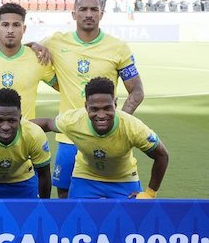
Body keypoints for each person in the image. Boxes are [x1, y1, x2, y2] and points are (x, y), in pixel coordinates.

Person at [42, 0, 145, 198]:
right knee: (65, 197)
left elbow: (137, 91)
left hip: (106, 138)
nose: (88, 14)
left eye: (94, 9)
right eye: (83, 9)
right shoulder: (55, 42)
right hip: (69, 136)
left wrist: (120, 122)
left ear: (101, 14)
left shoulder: (118, 48)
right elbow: (22, 51)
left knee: (122, 201)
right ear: (74, 14)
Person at [32, 77, 167, 199]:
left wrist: (150, 193)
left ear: (115, 104)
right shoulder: (74, 120)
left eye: (107, 108)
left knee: (131, 223)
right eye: (95, 109)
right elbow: (47, 123)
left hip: (124, 179)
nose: (101, 115)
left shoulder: (132, 126)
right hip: (85, 177)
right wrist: (18, 128)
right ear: (86, 107)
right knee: (77, 220)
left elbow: (161, 155)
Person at [0, 3, 57, 124]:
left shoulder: (39, 59)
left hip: (26, 138)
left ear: (24, 28)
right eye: (5, 25)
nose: (10, 30)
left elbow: (64, 87)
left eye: (16, 25)